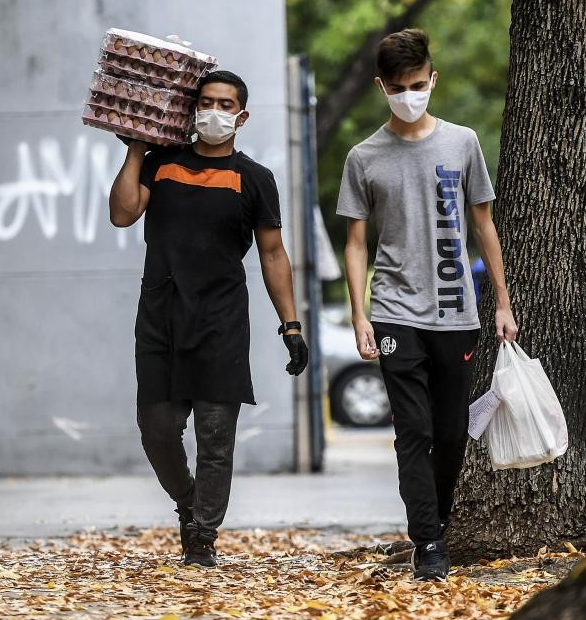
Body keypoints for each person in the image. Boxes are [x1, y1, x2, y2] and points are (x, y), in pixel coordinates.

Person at [108, 70, 309, 568]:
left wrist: (291, 325)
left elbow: (273, 253)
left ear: (241, 116)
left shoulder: (254, 178)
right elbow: (122, 213)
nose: (213, 111)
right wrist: (135, 149)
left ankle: (201, 536)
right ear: (192, 110)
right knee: (157, 429)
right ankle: (187, 501)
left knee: (215, 436)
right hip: (159, 315)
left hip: (220, 320)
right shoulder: (162, 163)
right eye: (206, 102)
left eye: (225, 104)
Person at [337, 29, 518, 581]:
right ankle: (428, 542)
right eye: (398, 87)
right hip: (394, 310)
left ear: (433, 79)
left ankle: (436, 520)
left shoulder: (462, 143)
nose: (409, 95)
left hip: (456, 310)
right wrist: (360, 313)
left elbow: (484, 225)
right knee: (413, 432)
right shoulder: (363, 157)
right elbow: (356, 243)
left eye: (418, 84)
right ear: (381, 87)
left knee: (448, 433)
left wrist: (502, 304)